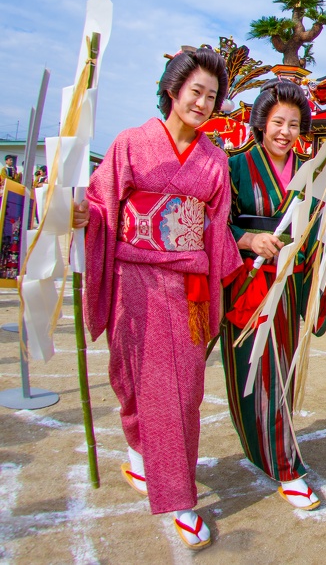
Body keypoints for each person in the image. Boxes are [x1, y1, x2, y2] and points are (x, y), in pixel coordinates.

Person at [72, 47, 241, 550]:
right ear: (172, 90)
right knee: (130, 378)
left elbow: (216, 229)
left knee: (181, 393)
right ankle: (140, 455)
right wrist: (84, 216)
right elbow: (102, 204)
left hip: (187, 287)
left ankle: (180, 498)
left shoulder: (215, 161)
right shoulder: (131, 143)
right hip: (134, 278)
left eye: (212, 96)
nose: (203, 103)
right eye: (196, 92)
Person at [221, 79, 326, 510]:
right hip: (248, 285)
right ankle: (280, 464)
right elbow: (215, 223)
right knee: (254, 373)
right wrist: (248, 239)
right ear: (261, 123)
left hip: (289, 286)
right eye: (277, 122)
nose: (285, 132)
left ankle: (274, 456)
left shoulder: (312, 172)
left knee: (278, 373)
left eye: (294, 124)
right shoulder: (235, 167)